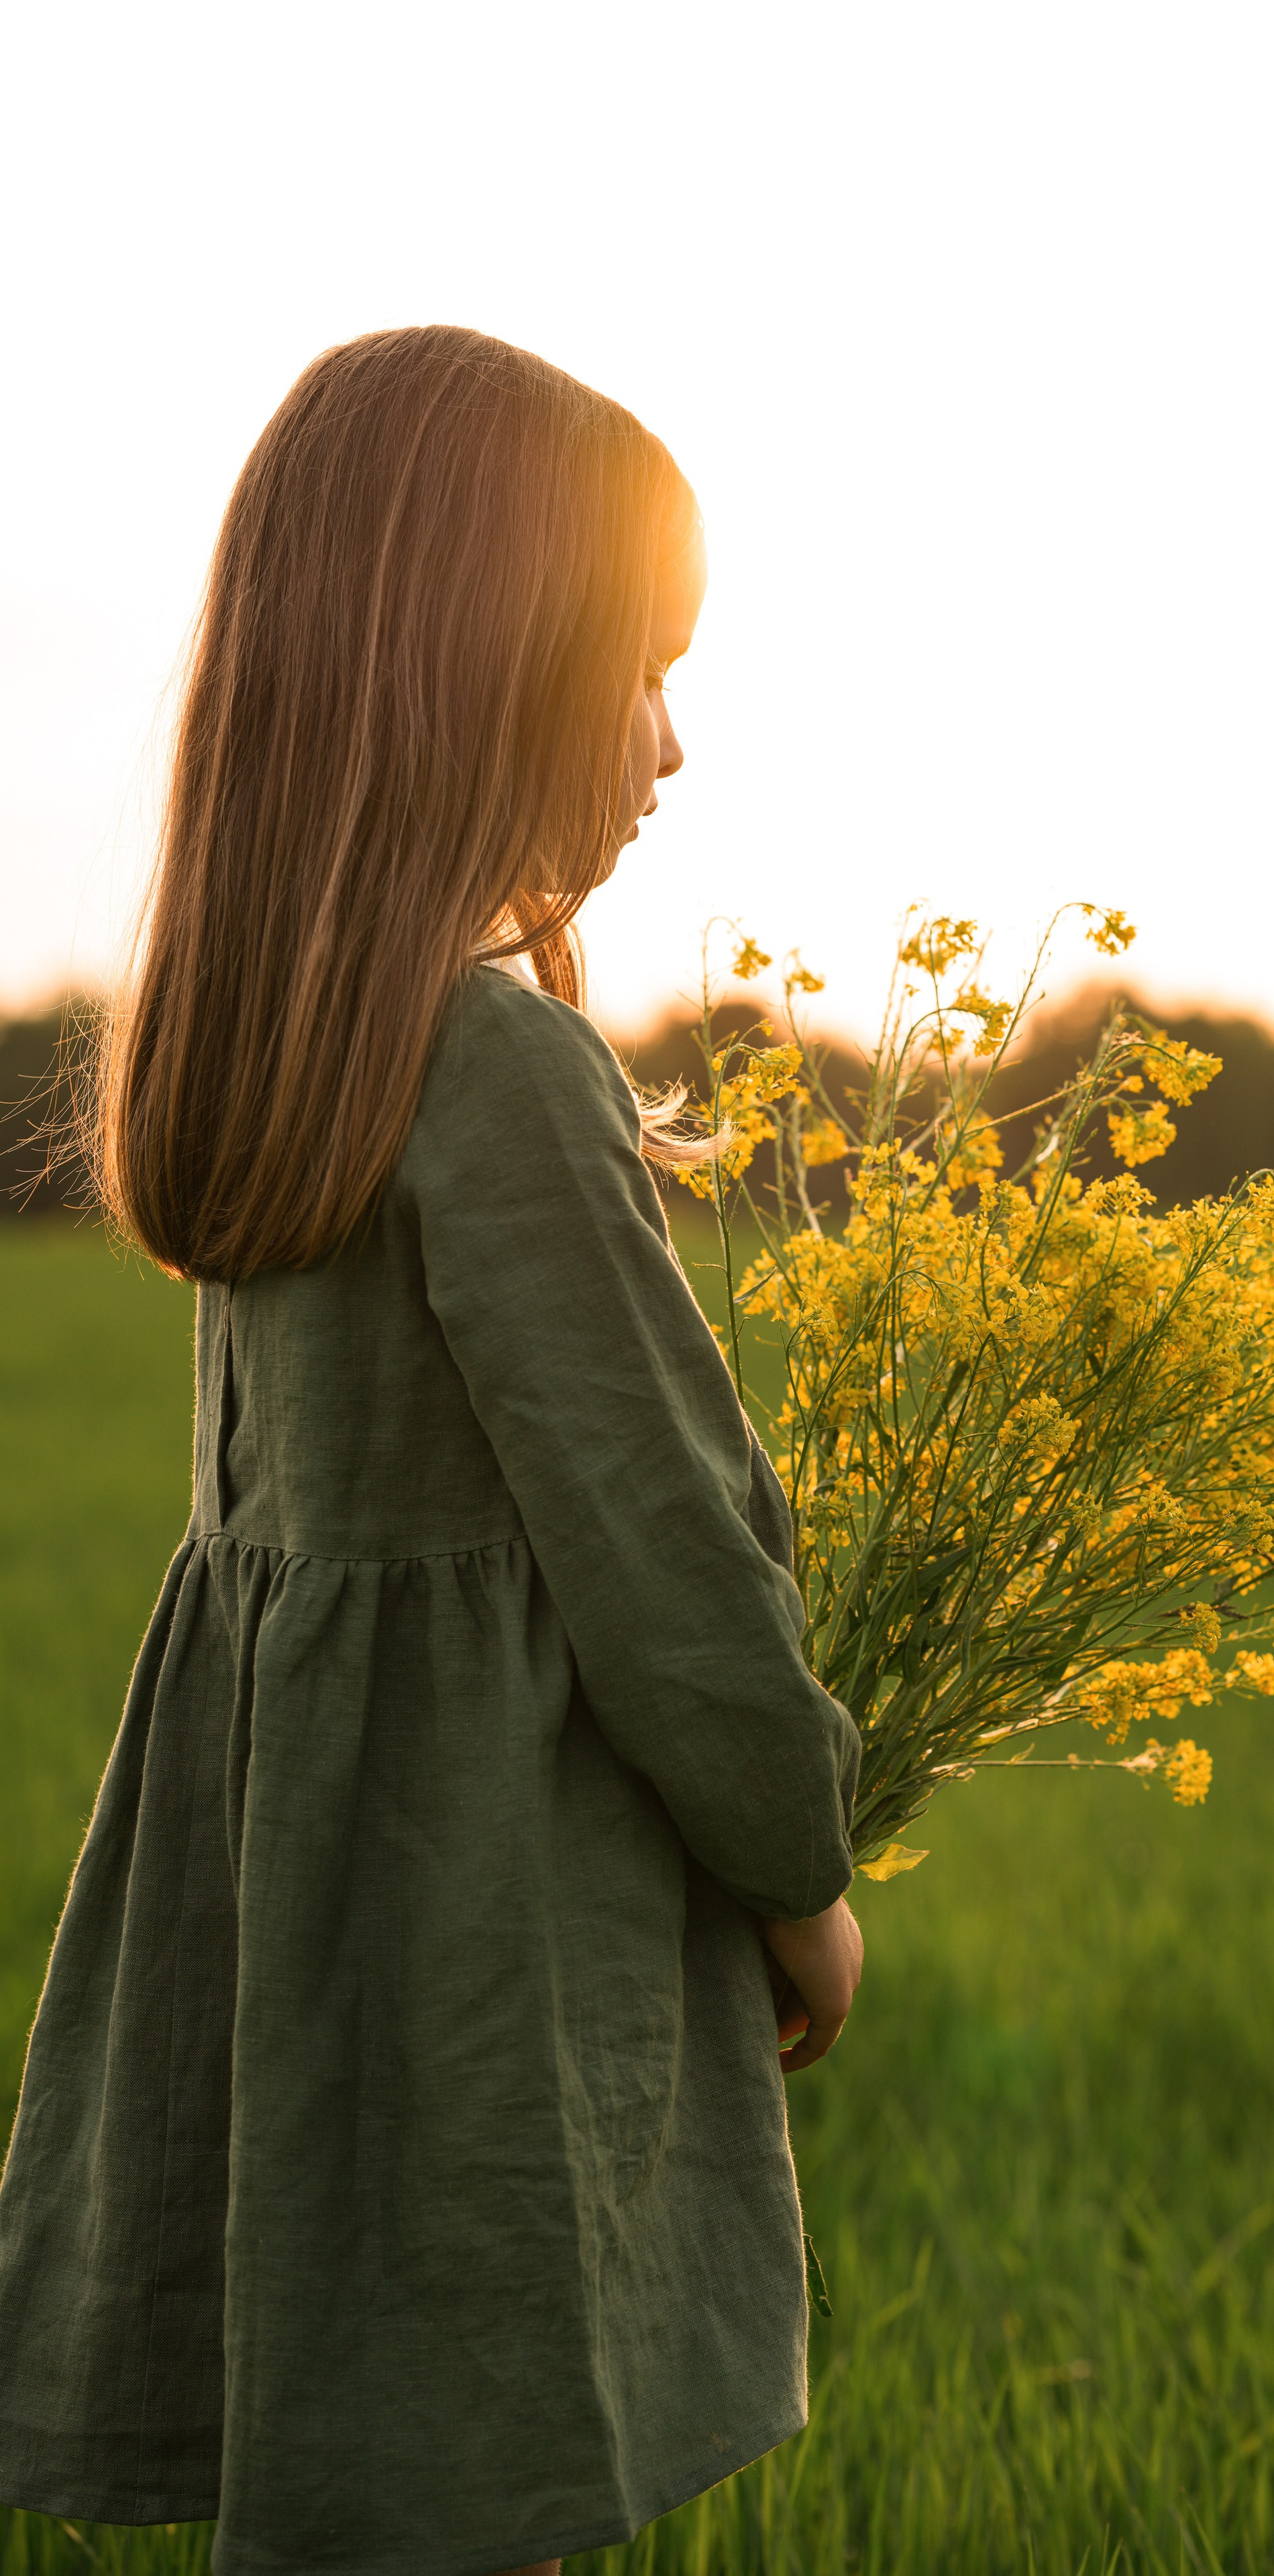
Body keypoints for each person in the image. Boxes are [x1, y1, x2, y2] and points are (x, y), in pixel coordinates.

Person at [0, 325, 864, 2576]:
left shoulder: (283, 1067)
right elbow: (672, 1561)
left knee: (357, 2488)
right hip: (484, 1947)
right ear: (473, 672)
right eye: (639, 671)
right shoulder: (501, 1079)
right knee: (485, 2472)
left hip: (298, 1924)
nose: (679, 740)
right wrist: (806, 1879)